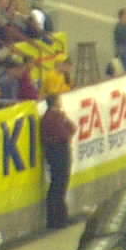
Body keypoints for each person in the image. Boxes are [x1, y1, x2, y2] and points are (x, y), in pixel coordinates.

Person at [41, 93, 77, 229]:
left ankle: (57, 218)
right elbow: (66, 132)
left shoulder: (50, 116)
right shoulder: (54, 117)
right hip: (58, 151)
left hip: (55, 151)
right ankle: (59, 219)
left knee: (57, 184)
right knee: (59, 184)